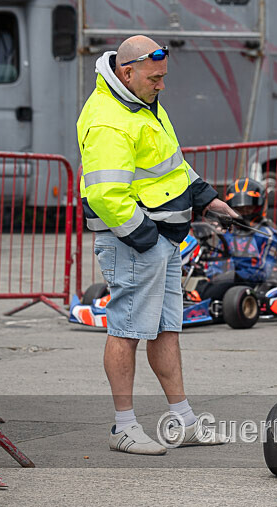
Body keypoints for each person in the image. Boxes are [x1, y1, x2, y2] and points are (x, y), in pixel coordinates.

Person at [77, 35, 237, 455]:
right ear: (128, 72)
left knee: (166, 331)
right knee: (126, 331)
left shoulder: (142, 103)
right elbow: (105, 194)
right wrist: (147, 239)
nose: (162, 85)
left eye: (163, 77)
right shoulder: (109, 119)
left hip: (160, 241)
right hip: (135, 242)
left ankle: (184, 422)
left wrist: (206, 198)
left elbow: (172, 164)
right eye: (155, 78)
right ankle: (124, 427)